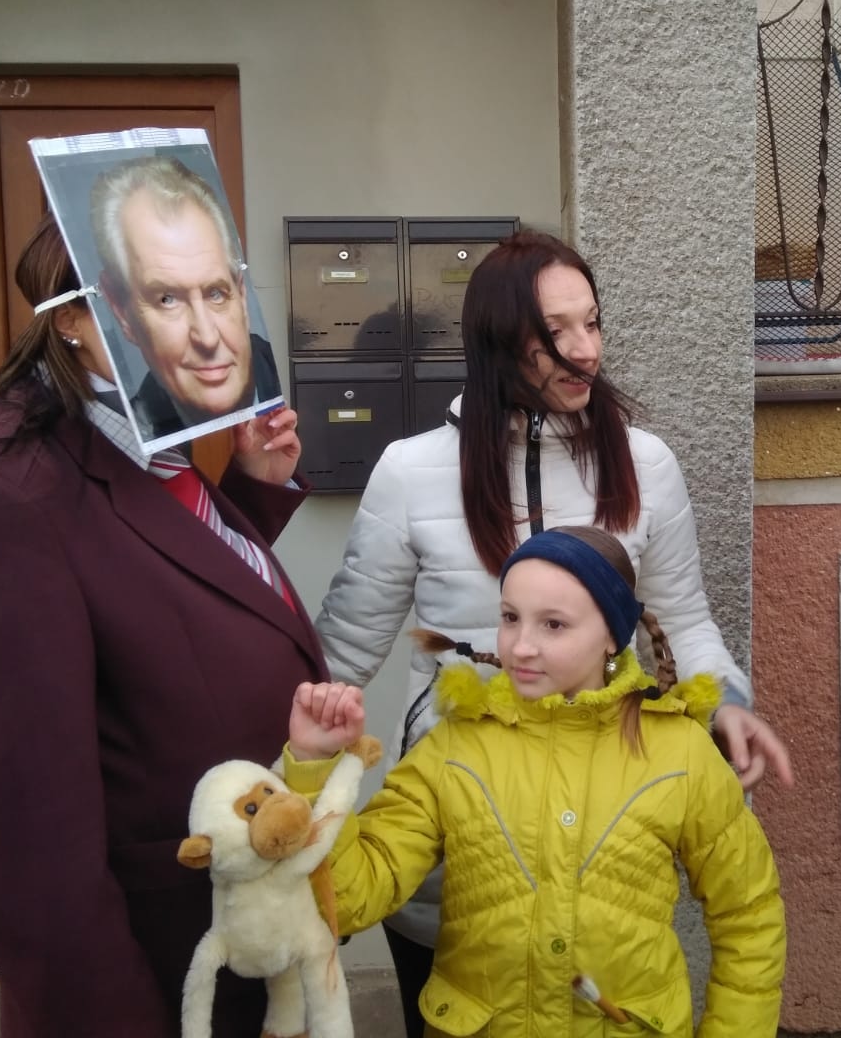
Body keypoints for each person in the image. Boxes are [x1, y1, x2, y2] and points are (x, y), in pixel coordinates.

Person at [316, 228, 794, 1036]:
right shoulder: (409, 472)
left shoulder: (646, 464)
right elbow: (339, 660)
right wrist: (292, 784)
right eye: (556, 332)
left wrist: (727, 705)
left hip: (602, 837)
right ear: (499, 342)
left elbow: (683, 621)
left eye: (593, 323)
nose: (586, 351)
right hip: (455, 833)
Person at [0, 216, 324, 1038]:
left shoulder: (143, 439)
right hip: (159, 977)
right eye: (164, 298)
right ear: (72, 317)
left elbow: (149, 594)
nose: (207, 331)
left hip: (245, 946)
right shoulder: (1, 500)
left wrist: (251, 490)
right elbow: (29, 848)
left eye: (218, 292)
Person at [287, 526, 786, 1037]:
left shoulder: (680, 753)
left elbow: (748, 917)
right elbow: (349, 899)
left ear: (612, 635)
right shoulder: (456, 747)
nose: (521, 646)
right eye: (510, 617)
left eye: (554, 624)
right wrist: (314, 771)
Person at [91, 154, 280, 436]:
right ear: (121, 311)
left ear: (241, 293)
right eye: (167, 299)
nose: (207, 337)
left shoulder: (275, 371)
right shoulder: (137, 438)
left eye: (215, 293)